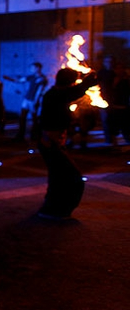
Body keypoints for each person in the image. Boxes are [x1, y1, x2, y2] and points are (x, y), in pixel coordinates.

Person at [36, 67, 98, 220]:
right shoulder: (56, 94)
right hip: (50, 143)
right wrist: (91, 79)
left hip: (53, 142)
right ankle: (54, 210)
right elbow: (78, 90)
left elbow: (75, 93)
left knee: (59, 176)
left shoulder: (56, 94)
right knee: (71, 177)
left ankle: (52, 209)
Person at [4, 61, 48, 142]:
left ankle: (35, 135)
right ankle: (21, 135)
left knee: (34, 119)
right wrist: (9, 79)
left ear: (38, 68)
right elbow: (20, 81)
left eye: (33, 67)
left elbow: (39, 91)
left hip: (33, 100)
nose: (31, 69)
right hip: (27, 99)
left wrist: (35, 100)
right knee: (22, 117)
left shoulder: (42, 78)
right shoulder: (31, 77)